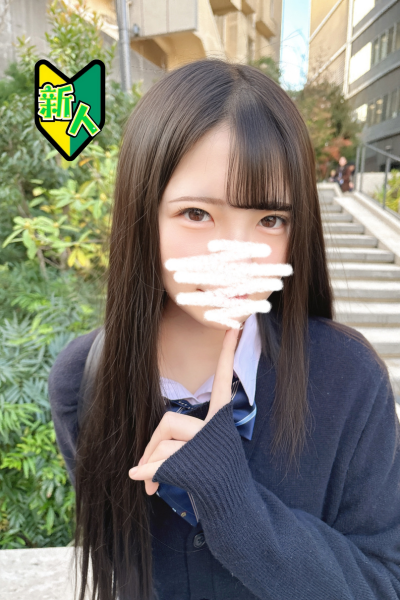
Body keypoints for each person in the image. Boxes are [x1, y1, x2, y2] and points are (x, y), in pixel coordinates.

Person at [48, 59, 400, 600]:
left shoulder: (348, 379)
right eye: (196, 214)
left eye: (270, 220)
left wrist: (236, 506)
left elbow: (384, 582)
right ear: (143, 214)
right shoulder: (83, 382)